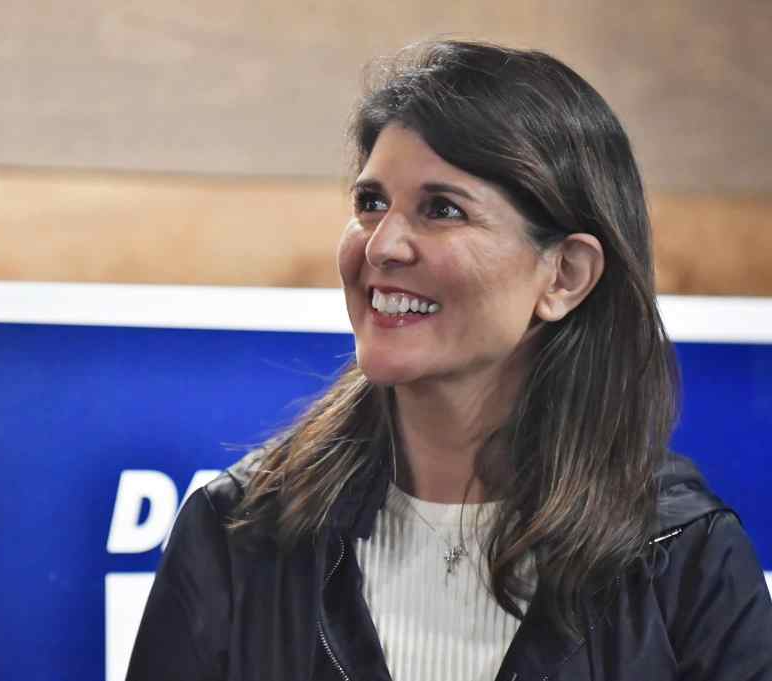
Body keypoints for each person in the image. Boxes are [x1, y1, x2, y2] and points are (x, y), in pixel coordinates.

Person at [125, 40, 772, 681]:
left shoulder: (688, 558)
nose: (382, 246)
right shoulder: (234, 533)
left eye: (441, 209)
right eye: (370, 202)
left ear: (566, 275)